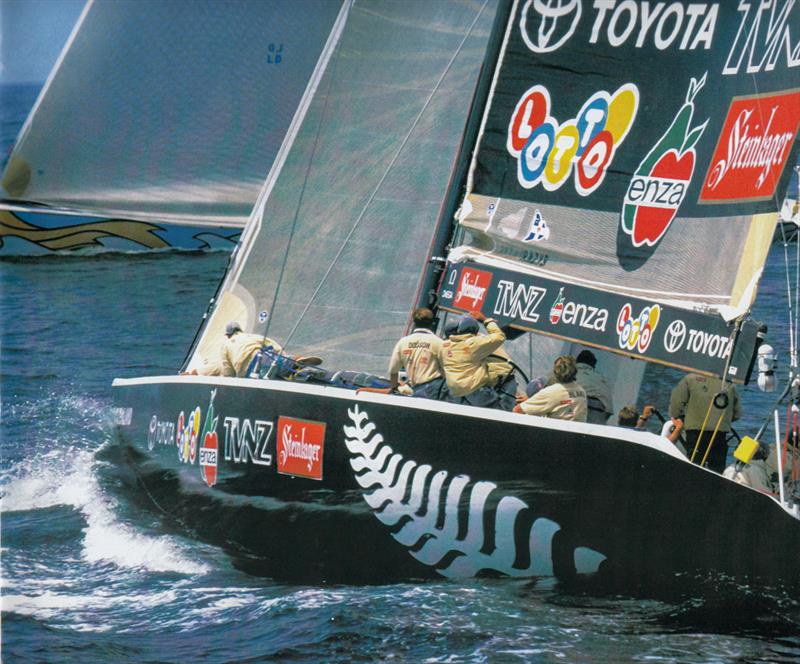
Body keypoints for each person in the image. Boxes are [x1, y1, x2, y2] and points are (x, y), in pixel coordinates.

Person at [359, 307, 446, 399]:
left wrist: (393, 387)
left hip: (414, 389)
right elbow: (447, 370)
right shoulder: (439, 342)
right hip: (432, 391)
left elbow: (393, 370)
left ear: (414, 322)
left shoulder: (403, 342)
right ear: (433, 322)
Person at [441, 310, 516, 409]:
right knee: (500, 412)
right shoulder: (474, 343)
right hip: (474, 388)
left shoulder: (445, 346)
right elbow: (499, 336)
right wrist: (486, 320)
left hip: (456, 391)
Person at [669, 373, 740, 473]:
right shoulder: (729, 384)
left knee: (694, 465)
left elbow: (676, 404)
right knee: (716, 470)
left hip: (694, 431)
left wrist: (677, 417)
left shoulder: (690, 378)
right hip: (719, 433)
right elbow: (737, 413)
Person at [192, 321, 284, 377]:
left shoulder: (225, 346)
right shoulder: (252, 336)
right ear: (240, 330)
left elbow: (228, 372)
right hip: (267, 359)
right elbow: (276, 347)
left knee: (267, 375)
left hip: (251, 371)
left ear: (228, 335)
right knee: (288, 366)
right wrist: (284, 356)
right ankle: (294, 364)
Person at [514, 355, 587, 421]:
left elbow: (517, 410)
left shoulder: (552, 392)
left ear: (555, 371)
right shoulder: (581, 391)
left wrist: (533, 400)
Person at [574, 350, 613, 424]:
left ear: (576, 361)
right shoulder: (602, 380)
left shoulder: (567, 374)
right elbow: (609, 411)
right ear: (593, 365)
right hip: (595, 424)